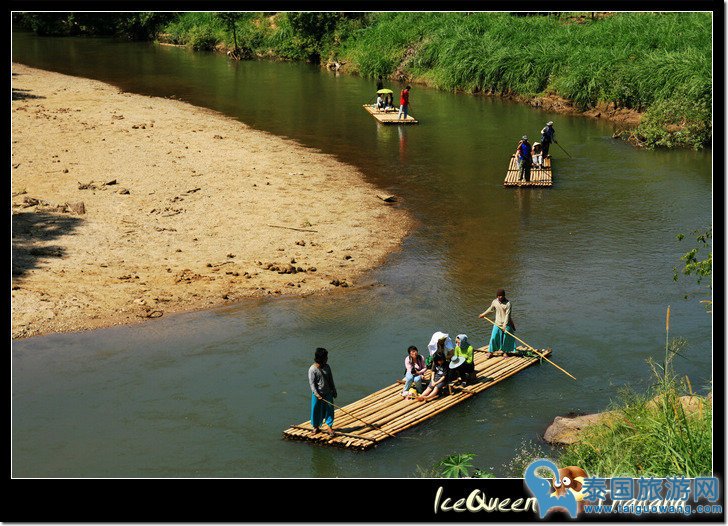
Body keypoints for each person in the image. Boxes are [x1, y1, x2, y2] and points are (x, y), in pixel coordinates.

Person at [478, 289, 516, 357]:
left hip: (506, 324)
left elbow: (508, 315)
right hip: (497, 323)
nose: (500, 297)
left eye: (501, 296)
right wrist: (483, 314)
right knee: (494, 337)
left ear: (504, 296)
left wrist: (504, 325)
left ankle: (505, 352)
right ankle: (491, 351)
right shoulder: (495, 302)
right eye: (498, 296)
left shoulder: (508, 303)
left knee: (505, 339)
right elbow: (490, 309)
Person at [308, 347, 337, 436]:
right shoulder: (312, 369)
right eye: (325, 357)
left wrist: (334, 390)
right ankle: (316, 427)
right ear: (321, 358)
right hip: (318, 394)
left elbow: (330, 380)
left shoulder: (327, 367)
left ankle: (329, 427)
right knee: (315, 410)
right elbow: (312, 384)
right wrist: (317, 394)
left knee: (329, 410)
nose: (327, 359)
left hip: (328, 393)